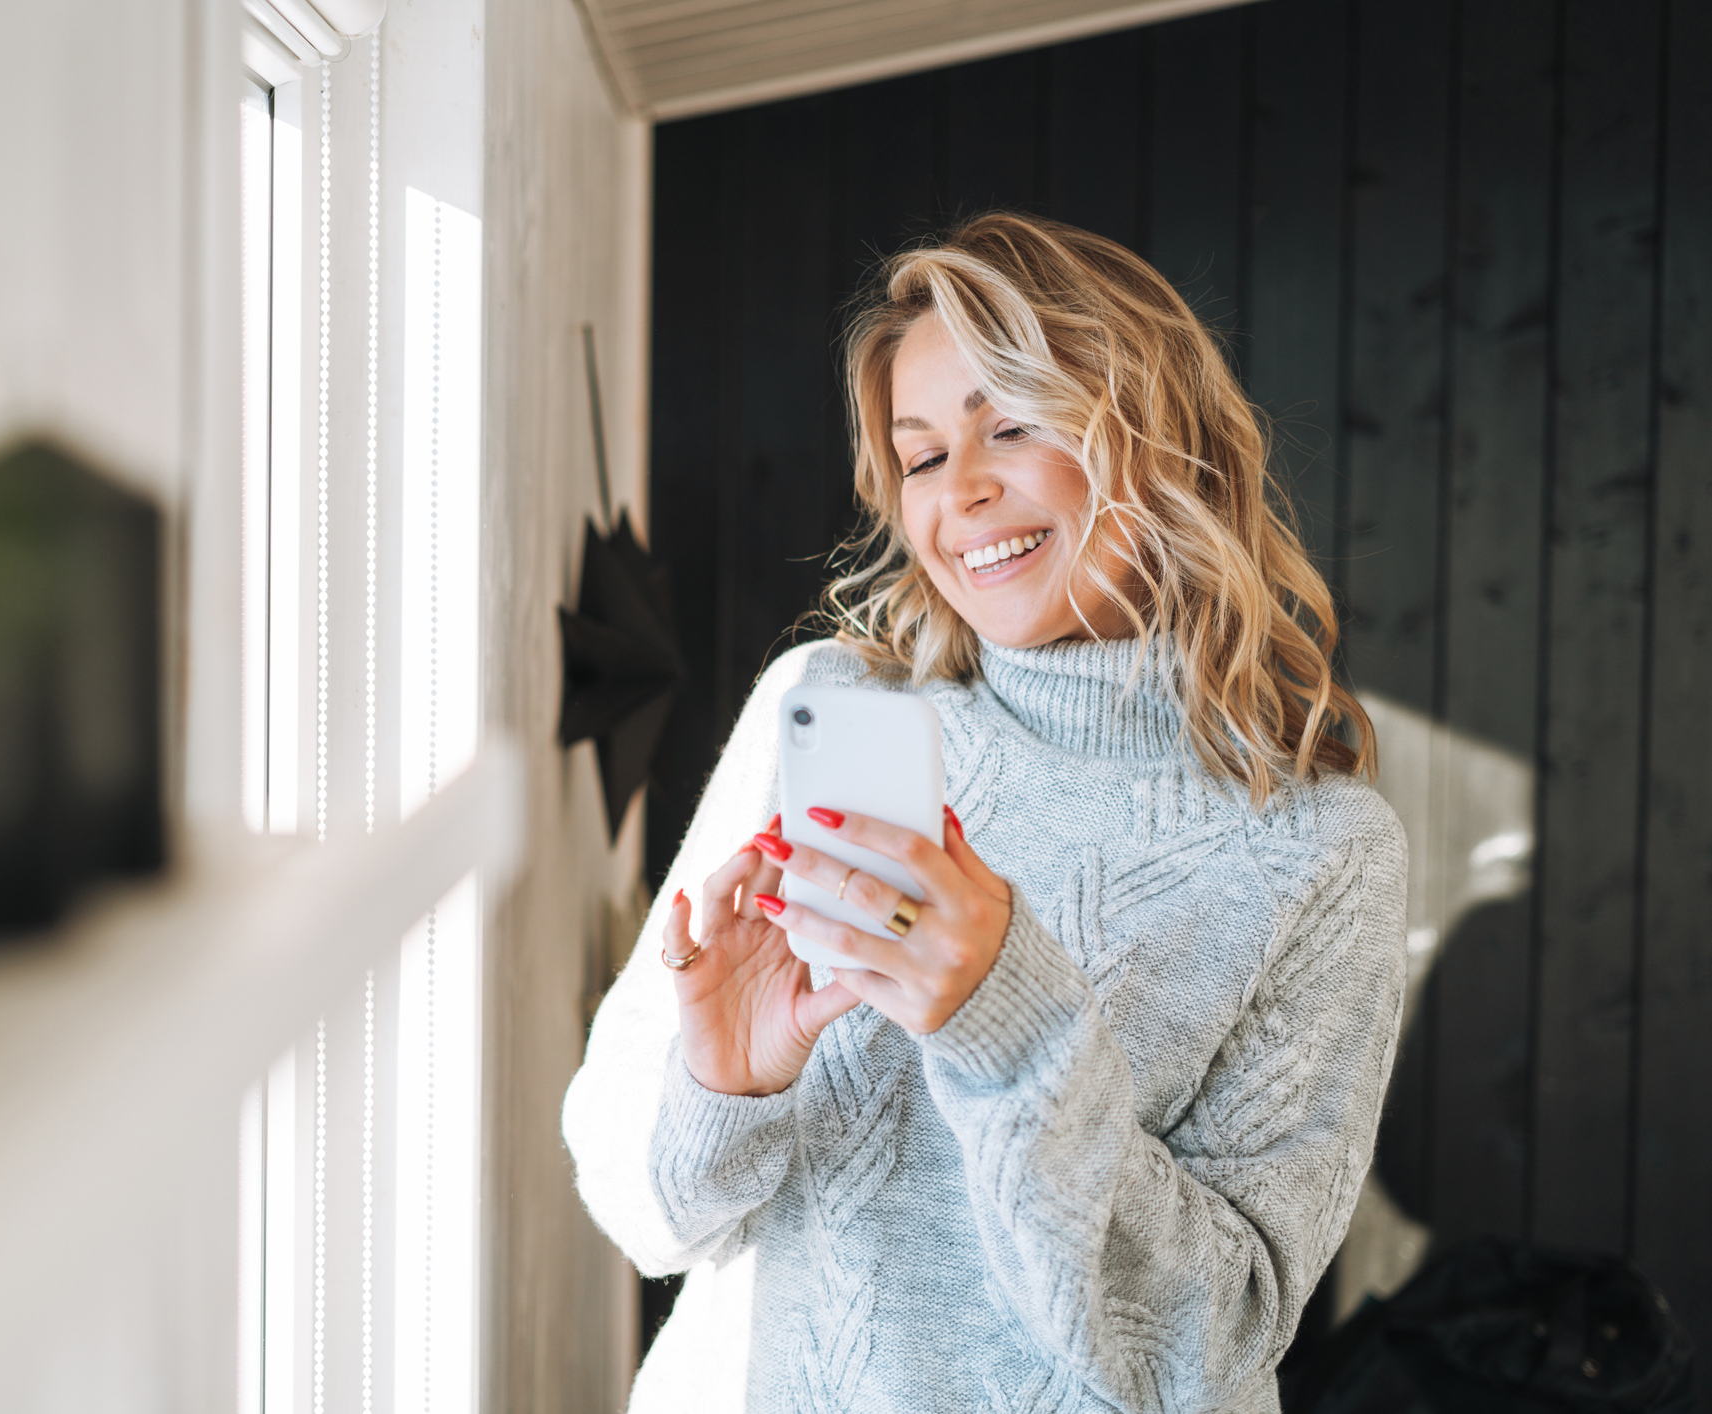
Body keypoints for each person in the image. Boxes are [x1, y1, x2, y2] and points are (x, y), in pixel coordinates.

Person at [562, 212, 1408, 1414]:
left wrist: (1008, 1018)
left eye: (1010, 423)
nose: (959, 491)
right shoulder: (831, 708)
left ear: (1161, 440)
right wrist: (729, 1087)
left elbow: (1217, 1341)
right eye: (918, 456)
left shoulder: (1319, 851)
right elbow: (637, 1206)